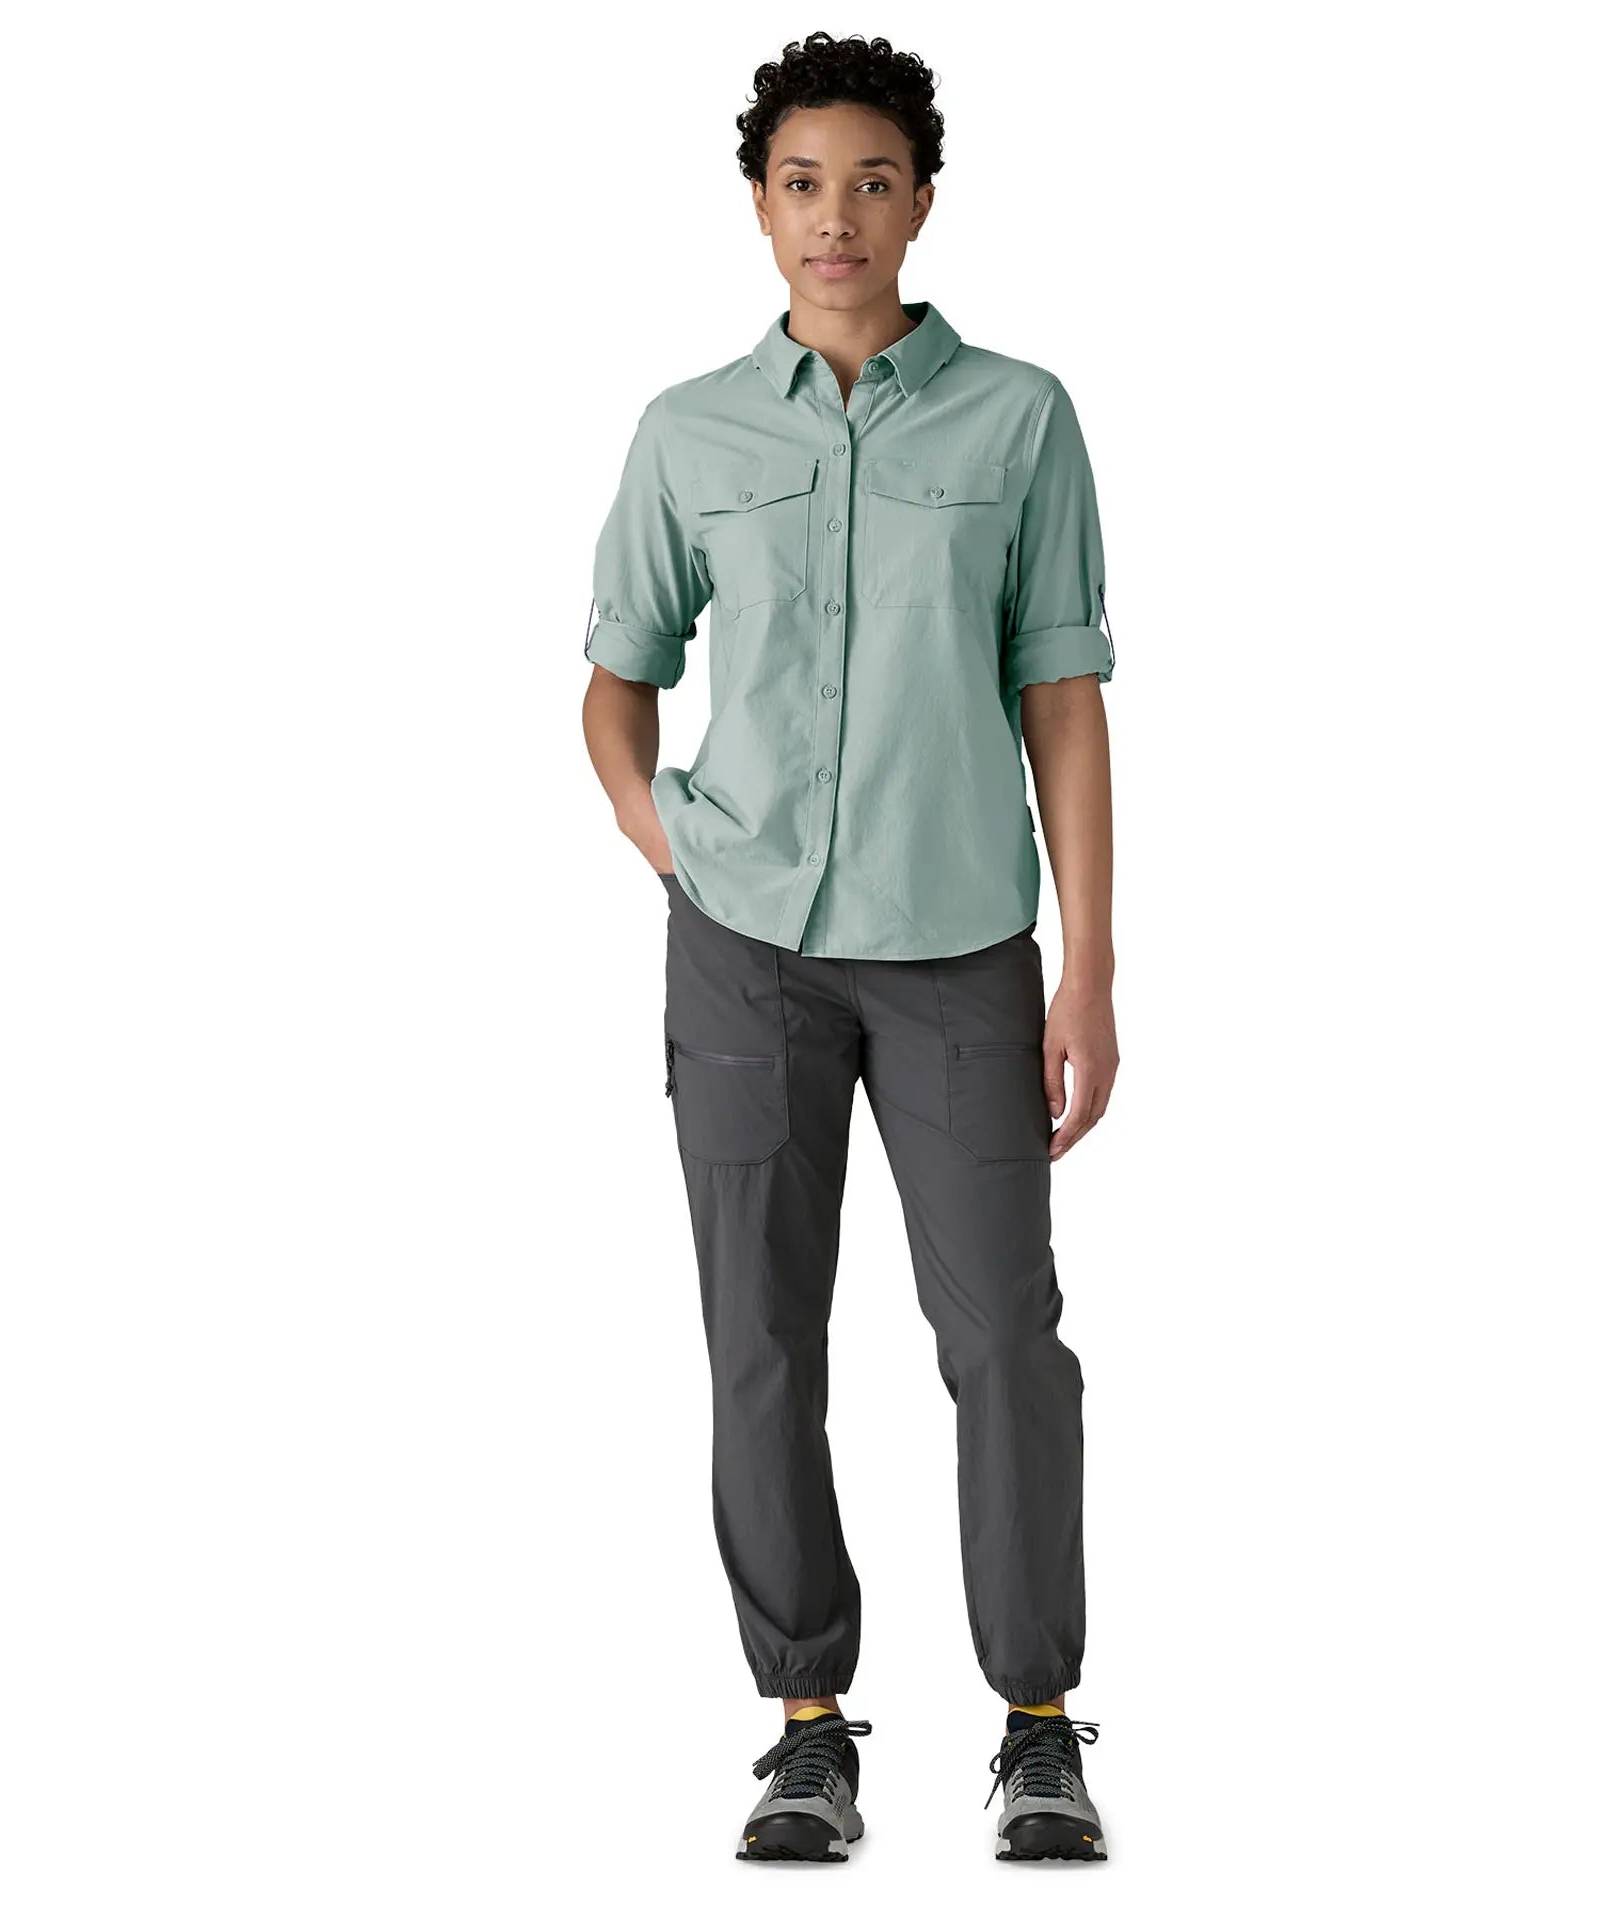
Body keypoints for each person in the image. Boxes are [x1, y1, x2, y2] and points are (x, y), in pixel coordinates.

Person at [581, 32, 1119, 1865]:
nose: (837, 218)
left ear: (923, 202)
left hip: (959, 944)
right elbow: (616, 679)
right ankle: (807, 1727)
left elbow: (1063, 692)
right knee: (758, 1340)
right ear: (760, 205)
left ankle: (1038, 1723)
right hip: (745, 955)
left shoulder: (1021, 419)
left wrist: (1089, 966)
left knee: (1007, 1340)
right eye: (803, 183)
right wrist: (666, 837)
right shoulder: (688, 433)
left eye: (872, 183)